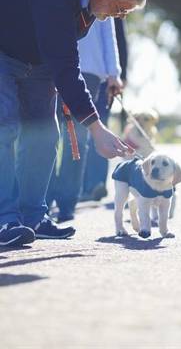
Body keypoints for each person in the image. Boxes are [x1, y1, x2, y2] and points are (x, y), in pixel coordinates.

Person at [0, 0, 148, 247]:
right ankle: (4, 219)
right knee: (4, 125)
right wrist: (96, 127)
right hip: (4, 49)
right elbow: (66, 66)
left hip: (38, 60)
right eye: (120, 9)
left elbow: (62, 56)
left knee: (45, 136)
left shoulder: (91, 0)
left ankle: (32, 216)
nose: (119, 17)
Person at [46, 18, 123, 223]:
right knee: (48, 134)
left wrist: (114, 73)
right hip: (53, 63)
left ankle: (66, 203)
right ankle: (43, 200)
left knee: (76, 140)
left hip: (89, 69)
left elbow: (108, 34)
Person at [81, 18, 129, 202]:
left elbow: (117, 39)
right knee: (94, 127)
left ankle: (93, 185)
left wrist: (118, 75)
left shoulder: (113, 2)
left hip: (100, 75)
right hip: (100, 71)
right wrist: (117, 74)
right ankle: (91, 184)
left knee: (94, 128)